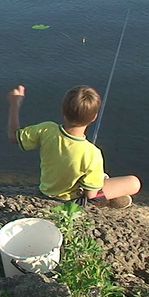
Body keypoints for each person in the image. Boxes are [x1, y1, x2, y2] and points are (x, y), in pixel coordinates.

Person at [7, 85, 140, 208]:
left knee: (100, 178)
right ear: (94, 117)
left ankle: (104, 187)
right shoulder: (92, 153)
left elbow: (14, 137)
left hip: (46, 191)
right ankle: (107, 200)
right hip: (70, 200)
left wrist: (14, 104)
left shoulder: (46, 130)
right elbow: (91, 195)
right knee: (134, 183)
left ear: (63, 112)